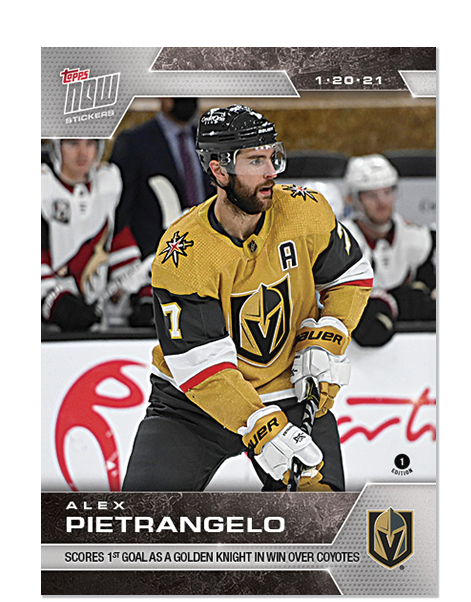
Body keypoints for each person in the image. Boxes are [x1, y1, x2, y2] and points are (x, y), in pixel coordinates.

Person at [122, 105, 373, 492]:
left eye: (273, 156)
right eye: (256, 160)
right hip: (193, 406)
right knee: (141, 517)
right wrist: (261, 426)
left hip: (289, 391)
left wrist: (328, 335)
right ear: (219, 171)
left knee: (322, 520)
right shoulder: (183, 252)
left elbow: (350, 276)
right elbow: (202, 366)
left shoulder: (305, 210)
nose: (272, 171)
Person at [40, 139, 151, 332]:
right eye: (73, 143)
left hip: (100, 327)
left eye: (91, 143)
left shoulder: (108, 185)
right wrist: (59, 305)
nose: (83, 153)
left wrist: (142, 294)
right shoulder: (42, 188)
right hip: (50, 334)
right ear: (57, 147)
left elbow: (122, 252)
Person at [341, 154, 437, 348]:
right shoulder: (337, 242)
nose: (382, 203)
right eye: (371, 196)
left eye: (388, 192)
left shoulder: (416, 238)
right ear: (354, 200)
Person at [109, 98, 212, 260]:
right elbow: (121, 209)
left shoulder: (209, 141)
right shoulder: (134, 142)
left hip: (206, 253)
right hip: (154, 257)